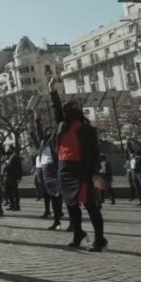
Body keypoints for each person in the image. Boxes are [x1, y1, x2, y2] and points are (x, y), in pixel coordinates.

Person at [48, 78, 106, 251]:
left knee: (90, 205)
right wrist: (52, 89)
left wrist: (95, 173)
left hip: (82, 169)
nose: (66, 113)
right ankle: (78, 233)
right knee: (71, 205)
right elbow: (57, 108)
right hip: (64, 168)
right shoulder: (61, 126)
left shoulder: (87, 129)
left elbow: (95, 153)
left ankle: (99, 238)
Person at [32, 111, 64, 230]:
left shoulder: (54, 142)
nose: (47, 133)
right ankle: (56, 220)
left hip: (53, 169)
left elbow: (57, 129)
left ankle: (62, 217)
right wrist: (37, 121)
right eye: (46, 131)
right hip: (45, 171)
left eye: (50, 132)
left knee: (58, 195)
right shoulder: (42, 143)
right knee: (52, 196)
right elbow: (39, 133)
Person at [4, 146, 23, 211]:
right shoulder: (8, 157)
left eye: (9, 149)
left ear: (13, 150)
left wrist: (19, 178)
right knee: (7, 191)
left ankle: (17, 206)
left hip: (14, 177)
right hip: (8, 176)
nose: (8, 150)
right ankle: (12, 204)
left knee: (15, 192)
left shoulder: (16, 158)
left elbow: (19, 168)